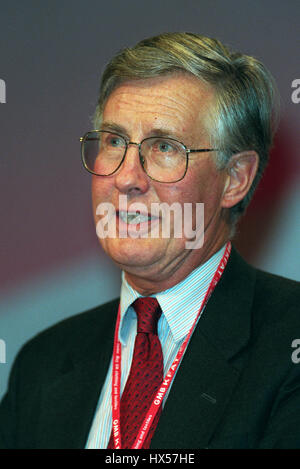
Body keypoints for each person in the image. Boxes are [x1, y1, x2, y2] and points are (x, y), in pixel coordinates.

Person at [0, 32, 300, 450]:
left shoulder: (288, 346)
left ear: (234, 178)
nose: (126, 178)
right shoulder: (44, 364)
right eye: (114, 142)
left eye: (164, 147)